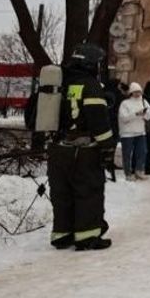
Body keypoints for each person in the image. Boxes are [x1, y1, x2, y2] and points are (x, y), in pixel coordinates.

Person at [48, 43, 115, 251]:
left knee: (62, 193)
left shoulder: (61, 82)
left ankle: (62, 234)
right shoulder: (90, 84)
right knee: (88, 191)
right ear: (89, 64)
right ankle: (87, 236)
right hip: (83, 151)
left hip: (58, 149)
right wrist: (107, 148)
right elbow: (98, 121)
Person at [117, 82, 150, 181]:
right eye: (135, 91)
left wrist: (144, 114)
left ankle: (139, 170)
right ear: (131, 92)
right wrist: (136, 114)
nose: (138, 94)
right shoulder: (125, 103)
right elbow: (123, 118)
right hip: (127, 133)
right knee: (127, 154)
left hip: (140, 132)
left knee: (142, 152)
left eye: (139, 91)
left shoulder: (144, 102)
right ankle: (128, 173)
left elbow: (149, 116)